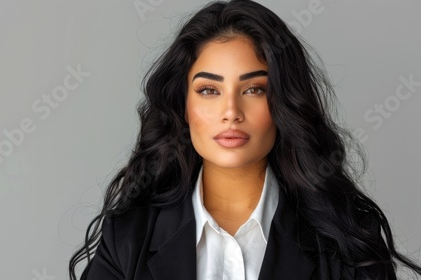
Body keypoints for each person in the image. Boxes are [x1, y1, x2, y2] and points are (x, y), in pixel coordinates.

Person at [69, 0, 421, 279]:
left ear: (283, 103)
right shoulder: (129, 236)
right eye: (209, 90)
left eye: (254, 89)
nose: (231, 111)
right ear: (183, 105)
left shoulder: (347, 238)